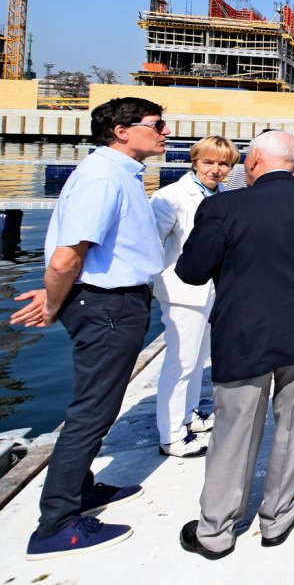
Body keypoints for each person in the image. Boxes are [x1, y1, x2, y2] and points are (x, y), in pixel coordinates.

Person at [174, 131, 294, 559]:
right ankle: (279, 515)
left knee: (235, 430)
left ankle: (216, 530)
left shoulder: (221, 207)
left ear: (251, 163)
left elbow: (192, 272)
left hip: (244, 332)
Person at [12, 97, 168, 559]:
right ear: (122, 131)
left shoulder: (115, 175)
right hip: (108, 306)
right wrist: (55, 299)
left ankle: (79, 491)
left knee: (93, 403)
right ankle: (56, 525)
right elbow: (65, 256)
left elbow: (75, 258)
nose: (163, 132)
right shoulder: (103, 179)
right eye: (156, 124)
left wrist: (59, 290)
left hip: (106, 299)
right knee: (92, 413)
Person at [149, 135, 238, 459]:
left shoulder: (225, 195)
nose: (215, 170)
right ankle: (171, 434)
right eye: (209, 162)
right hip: (182, 290)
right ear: (195, 161)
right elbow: (152, 244)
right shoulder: (170, 197)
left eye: (223, 164)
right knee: (181, 362)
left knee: (198, 359)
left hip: (212, 290)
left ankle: (189, 416)